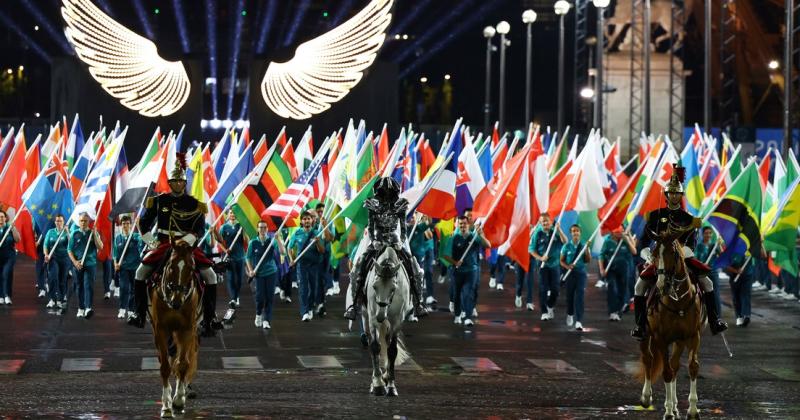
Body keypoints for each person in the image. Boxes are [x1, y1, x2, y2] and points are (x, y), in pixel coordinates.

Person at [631, 165, 728, 340]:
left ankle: (714, 321)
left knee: (708, 283)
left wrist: (681, 253)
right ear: (667, 195)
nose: (674, 196)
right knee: (639, 286)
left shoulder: (688, 219)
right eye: (671, 193)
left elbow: (692, 243)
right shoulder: (654, 216)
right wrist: (647, 255)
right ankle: (640, 326)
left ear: (681, 196)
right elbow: (644, 242)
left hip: (683, 257)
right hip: (659, 258)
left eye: (677, 193)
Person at [128, 157, 221, 337]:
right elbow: (144, 224)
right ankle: (138, 313)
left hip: (188, 247)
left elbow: (200, 228)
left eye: (180, 181)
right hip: (163, 245)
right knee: (139, 273)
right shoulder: (158, 201)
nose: (177, 184)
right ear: (169, 183)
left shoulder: (195, 204)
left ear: (184, 183)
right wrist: (152, 242)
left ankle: (210, 319)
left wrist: (188, 239)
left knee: (211, 276)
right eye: (174, 181)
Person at [344, 177, 428, 320]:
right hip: (377, 241)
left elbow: (403, 227)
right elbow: (371, 227)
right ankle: (355, 304)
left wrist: (400, 241)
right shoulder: (372, 204)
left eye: (389, 192)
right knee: (359, 265)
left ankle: (418, 302)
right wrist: (375, 240)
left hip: (395, 241)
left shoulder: (400, 205)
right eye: (384, 192)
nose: (387, 195)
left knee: (414, 267)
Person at [443, 216, 490, 326]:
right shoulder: (454, 238)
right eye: (460, 224)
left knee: (468, 293)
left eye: (464, 224)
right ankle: (458, 315)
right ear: (458, 225)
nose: (462, 226)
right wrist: (455, 263)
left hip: (471, 271)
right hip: (457, 272)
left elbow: (488, 245)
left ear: (468, 224)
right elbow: (445, 255)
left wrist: (480, 235)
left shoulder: (474, 237)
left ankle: (468, 317)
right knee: (457, 294)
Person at [246, 220, 285, 329]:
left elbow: (282, 252)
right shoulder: (253, 242)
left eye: (265, 227)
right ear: (257, 229)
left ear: (268, 229)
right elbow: (248, 258)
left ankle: (267, 320)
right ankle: (258, 314)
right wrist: (250, 270)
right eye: (261, 227)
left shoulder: (273, 241)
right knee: (260, 297)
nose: (263, 230)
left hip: (271, 272)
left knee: (270, 297)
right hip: (259, 274)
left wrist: (278, 240)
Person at [288, 211, 327, 321]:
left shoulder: (317, 233)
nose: (306, 221)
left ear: (312, 220)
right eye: (304, 219)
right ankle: (304, 312)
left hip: (314, 265)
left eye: (308, 219)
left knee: (313, 289)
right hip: (302, 265)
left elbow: (322, 250)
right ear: (301, 221)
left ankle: (310, 307)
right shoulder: (297, 233)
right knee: (304, 289)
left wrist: (318, 242)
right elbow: (289, 248)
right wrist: (291, 260)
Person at [531, 214, 567, 321]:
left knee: (555, 290)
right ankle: (544, 312)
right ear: (540, 223)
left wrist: (559, 230)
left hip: (555, 265)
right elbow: (531, 249)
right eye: (543, 222)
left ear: (550, 221)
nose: (545, 223)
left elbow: (565, 242)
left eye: (547, 221)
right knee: (543, 288)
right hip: (543, 266)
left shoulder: (555, 231)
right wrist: (541, 258)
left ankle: (550, 305)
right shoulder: (537, 233)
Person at [68, 213, 103, 319]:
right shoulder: (74, 234)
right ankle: (81, 308)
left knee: (88, 285)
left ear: (89, 222)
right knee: (79, 286)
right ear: (79, 222)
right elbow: (69, 250)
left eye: (85, 221)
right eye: (81, 221)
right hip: (78, 264)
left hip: (90, 264)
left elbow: (100, 246)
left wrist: (95, 234)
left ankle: (88, 307)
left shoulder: (93, 233)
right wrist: (74, 262)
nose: (83, 223)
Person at [598, 227, 637, 321]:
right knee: (612, 288)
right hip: (611, 270)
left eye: (621, 231)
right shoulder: (608, 242)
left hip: (624, 270)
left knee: (622, 291)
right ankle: (612, 311)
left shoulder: (624, 242)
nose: (620, 233)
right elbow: (601, 256)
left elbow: (634, 252)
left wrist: (627, 239)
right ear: (613, 232)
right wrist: (602, 269)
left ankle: (618, 310)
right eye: (618, 231)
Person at [561, 224, 591, 331]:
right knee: (570, 297)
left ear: (580, 233)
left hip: (581, 274)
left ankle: (579, 320)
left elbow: (588, 260)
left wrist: (587, 249)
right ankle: (570, 313)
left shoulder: (584, 245)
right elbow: (561, 261)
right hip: (570, 274)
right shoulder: (566, 246)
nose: (575, 233)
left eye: (577, 231)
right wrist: (567, 266)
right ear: (571, 233)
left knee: (580, 297)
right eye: (573, 231)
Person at [113, 215, 144, 319]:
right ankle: (122, 309)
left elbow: (146, 241)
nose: (125, 225)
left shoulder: (135, 236)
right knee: (124, 288)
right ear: (121, 225)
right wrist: (115, 264)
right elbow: (115, 254)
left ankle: (131, 310)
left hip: (135, 268)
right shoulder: (118, 238)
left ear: (131, 225)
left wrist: (139, 227)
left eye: (127, 223)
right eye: (123, 224)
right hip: (123, 268)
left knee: (134, 290)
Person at [220, 210, 246, 309]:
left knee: (239, 280)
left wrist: (244, 231)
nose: (233, 214)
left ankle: (237, 296)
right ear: (228, 214)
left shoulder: (241, 226)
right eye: (231, 213)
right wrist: (225, 250)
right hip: (229, 258)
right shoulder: (224, 227)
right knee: (230, 278)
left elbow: (245, 241)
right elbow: (220, 242)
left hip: (240, 256)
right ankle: (233, 298)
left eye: (234, 213)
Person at [44, 215, 70, 310]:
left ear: (63, 222)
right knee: (53, 277)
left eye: (60, 221)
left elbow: (71, 244)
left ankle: (60, 298)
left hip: (65, 259)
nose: (58, 223)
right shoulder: (50, 232)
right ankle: (52, 299)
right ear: (55, 222)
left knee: (62, 280)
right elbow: (45, 245)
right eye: (57, 221)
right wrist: (46, 255)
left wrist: (67, 232)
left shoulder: (66, 232)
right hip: (53, 258)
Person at [694, 226, 722, 316]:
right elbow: (695, 259)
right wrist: (701, 265)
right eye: (706, 233)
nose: (708, 235)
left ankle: (717, 316)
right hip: (702, 274)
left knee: (715, 294)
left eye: (710, 233)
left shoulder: (714, 246)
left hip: (713, 272)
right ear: (703, 234)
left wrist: (719, 245)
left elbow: (722, 256)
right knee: (700, 294)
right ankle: (703, 314)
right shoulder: (698, 246)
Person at [408, 213, 435, 305]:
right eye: (411, 216)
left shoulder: (420, 226)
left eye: (413, 217)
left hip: (423, 254)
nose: (412, 218)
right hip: (410, 256)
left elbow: (429, 235)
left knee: (425, 274)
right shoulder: (406, 227)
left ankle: (425, 297)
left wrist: (426, 216)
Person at [725, 251, 754, 327]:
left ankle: (746, 315)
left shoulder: (751, 248)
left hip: (747, 276)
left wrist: (760, 243)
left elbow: (763, 255)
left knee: (746, 295)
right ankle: (739, 317)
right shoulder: (732, 249)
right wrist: (736, 271)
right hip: (734, 277)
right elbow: (725, 265)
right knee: (736, 298)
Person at [0, 210, 20, 305]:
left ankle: (7, 295)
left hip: (9, 255)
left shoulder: (9, 227)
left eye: (2, 217)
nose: (1, 219)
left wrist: (13, 228)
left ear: (5, 218)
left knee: (6, 273)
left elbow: (17, 240)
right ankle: (1, 296)